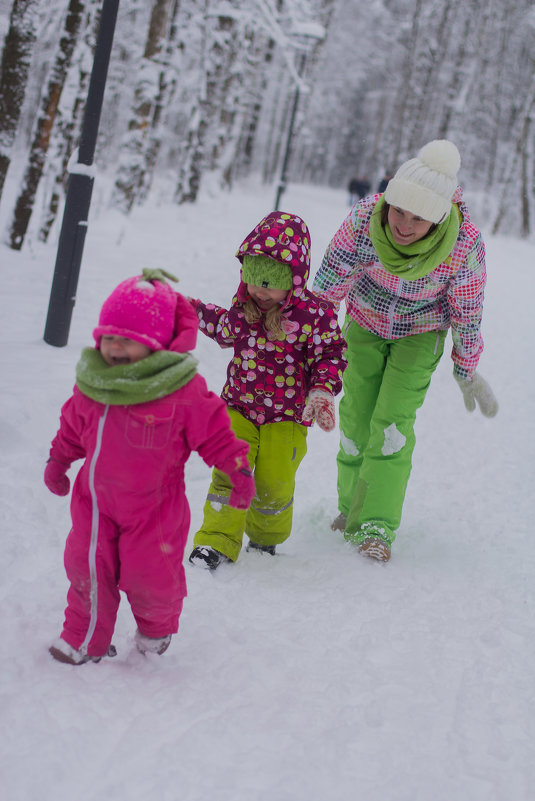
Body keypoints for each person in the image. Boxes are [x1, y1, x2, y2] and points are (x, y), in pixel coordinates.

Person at [44, 269, 255, 665]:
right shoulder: (95, 384)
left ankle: (156, 627)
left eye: (129, 340)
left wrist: (238, 470)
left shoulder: (180, 390)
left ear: (156, 345)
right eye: (109, 337)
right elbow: (72, 426)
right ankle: (83, 638)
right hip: (95, 505)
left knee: (150, 580)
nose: (115, 348)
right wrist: (58, 461)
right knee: (87, 566)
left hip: (155, 511)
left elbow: (217, 435)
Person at [313, 140, 498, 563]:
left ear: (437, 217)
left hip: (422, 330)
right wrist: (309, 345)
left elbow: (467, 310)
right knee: (357, 417)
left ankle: (377, 524)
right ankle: (350, 508)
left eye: (418, 218)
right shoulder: (365, 218)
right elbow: (327, 286)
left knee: (392, 423)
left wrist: (466, 368)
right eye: (399, 210)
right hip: (363, 319)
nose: (403, 224)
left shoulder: (463, 244)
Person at [187, 211, 347, 570]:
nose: (259, 291)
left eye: (270, 283)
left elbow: (331, 353)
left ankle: (264, 538)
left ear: (293, 279)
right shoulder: (245, 310)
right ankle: (216, 540)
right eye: (254, 279)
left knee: (274, 483)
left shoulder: (315, 315)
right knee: (229, 472)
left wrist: (321, 389)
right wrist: (191, 311)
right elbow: (222, 327)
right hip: (238, 409)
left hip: (287, 418)